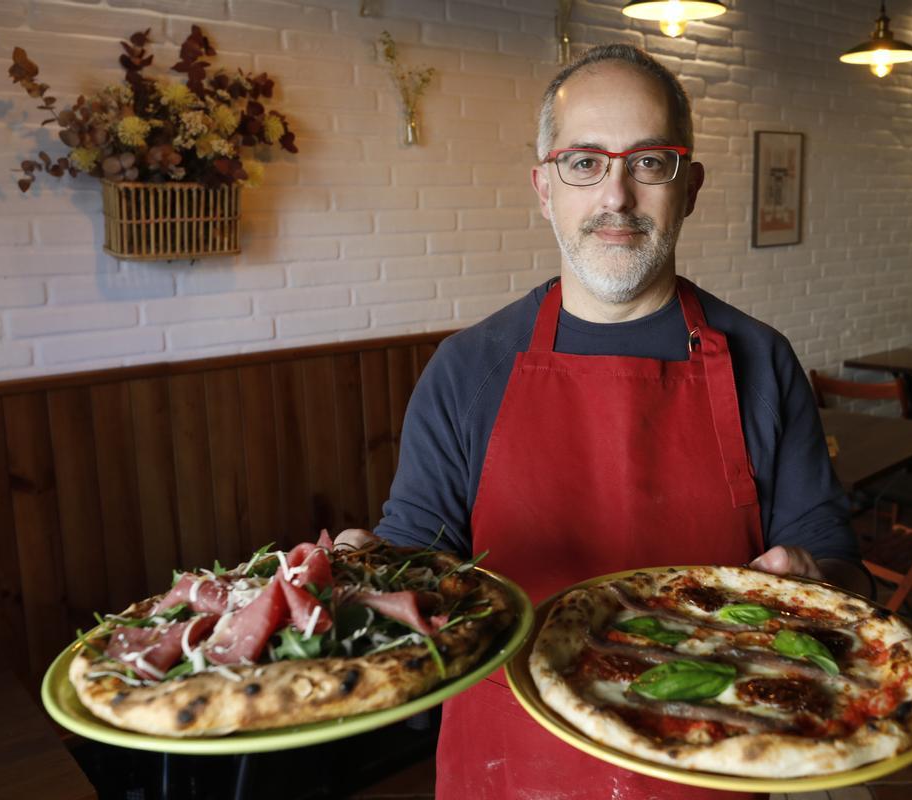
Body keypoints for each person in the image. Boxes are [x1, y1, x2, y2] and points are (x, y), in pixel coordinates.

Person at [369, 43, 865, 800]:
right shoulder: (467, 368)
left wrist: (813, 575)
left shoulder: (762, 361)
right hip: (509, 764)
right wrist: (366, 574)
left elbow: (836, 559)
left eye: (649, 162)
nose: (617, 196)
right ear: (543, 187)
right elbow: (417, 557)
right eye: (584, 163)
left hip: (719, 749)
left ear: (690, 185)